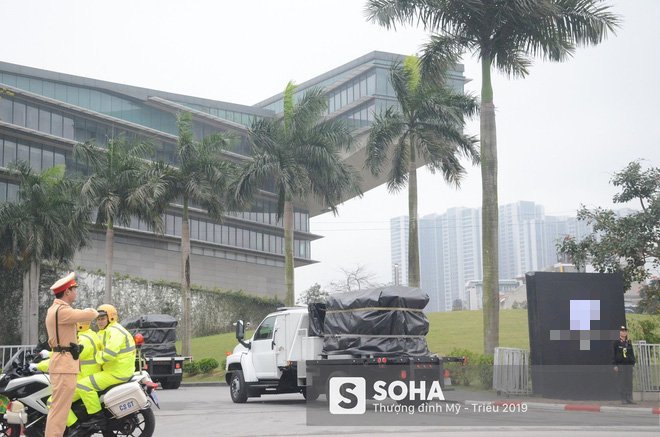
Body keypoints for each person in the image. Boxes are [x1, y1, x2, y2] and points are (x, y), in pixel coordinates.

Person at [44, 272, 98, 437]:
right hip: (64, 365)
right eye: (74, 289)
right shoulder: (62, 311)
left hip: (63, 363)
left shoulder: (55, 309)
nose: (76, 293)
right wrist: (94, 309)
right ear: (67, 291)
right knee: (59, 410)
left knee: (59, 409)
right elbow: (90, 315)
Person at [74, 304, 136, 427]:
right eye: (98, 319)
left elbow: (109, 354)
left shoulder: (115, 331)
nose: (99, 322)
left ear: (111, 318)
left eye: (102, 318)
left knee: (83, 385)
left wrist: (96, 358)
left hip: (117, 372)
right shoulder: (106, 331)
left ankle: (97, 417)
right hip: (115, 370)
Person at [612, 325, 637, 404]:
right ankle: (623, 398)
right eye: (622, 331)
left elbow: (631, 354)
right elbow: (613, 354)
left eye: (625, 331)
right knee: (621, 381)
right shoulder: (616, 342)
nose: (624, 332)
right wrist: (615, 365)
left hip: (628, 364)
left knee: (629, 381)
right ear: (619, 332)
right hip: (621, 364)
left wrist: (633, 364)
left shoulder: (628, 342)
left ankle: (629, 398)